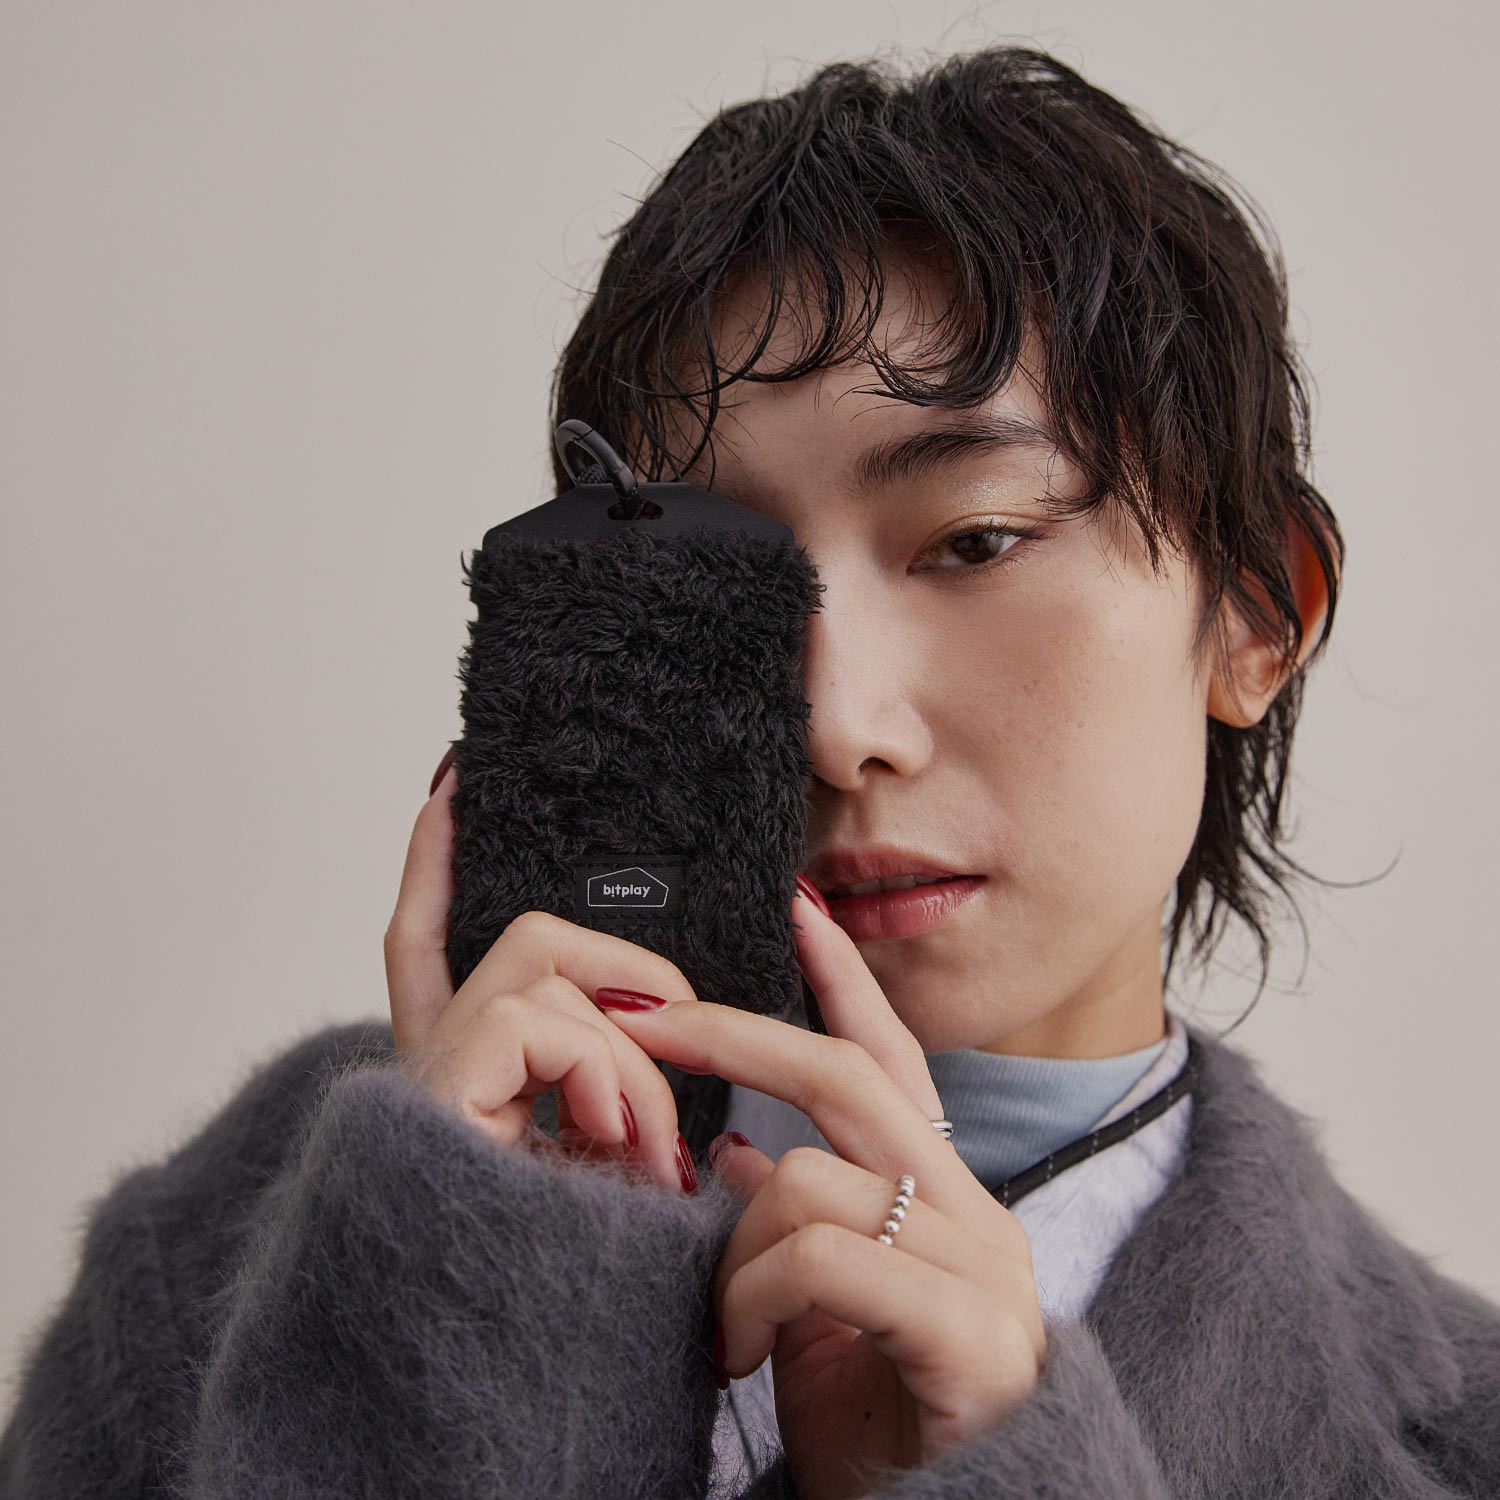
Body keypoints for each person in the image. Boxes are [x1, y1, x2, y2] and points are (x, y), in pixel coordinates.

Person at [3, 43, 1496, 1500]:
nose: (834, 727)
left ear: (1257, 612)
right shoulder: (223, 1260)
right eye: (729, 586)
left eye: (975, 540)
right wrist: (470, 1310)